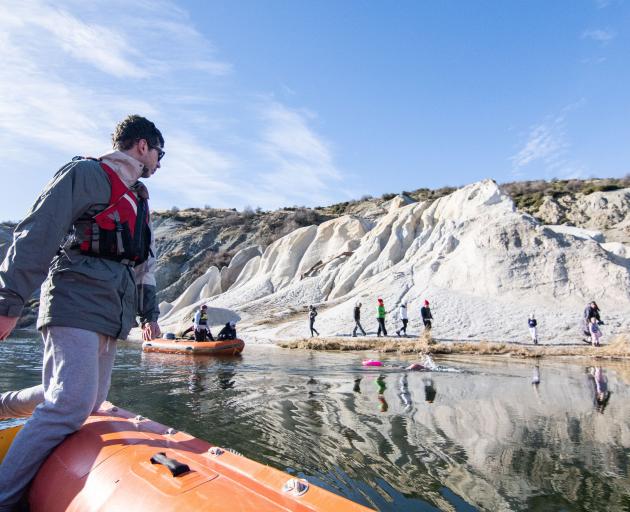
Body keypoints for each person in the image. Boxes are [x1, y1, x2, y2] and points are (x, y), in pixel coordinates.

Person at [0, 115, 164, 510]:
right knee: (70, 403)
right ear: (142, 146)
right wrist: (9, 302)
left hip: (112, 310)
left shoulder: (140, 198)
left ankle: (3, 404)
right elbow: (39, 232)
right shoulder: (86, 174)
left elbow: (144, 264)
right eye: (161, 152)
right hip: (75, 298)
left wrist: (148, 314)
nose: (160, 162)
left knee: (86, 401)